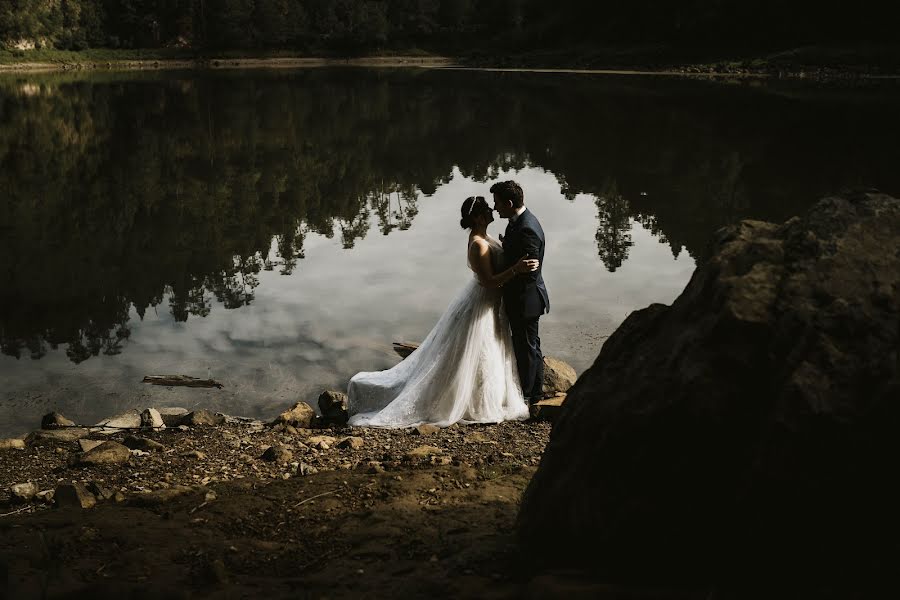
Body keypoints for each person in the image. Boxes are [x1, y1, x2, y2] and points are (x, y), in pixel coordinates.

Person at [347, 196, 538, 428]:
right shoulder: (477, 244)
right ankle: (469, 400)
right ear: (477, 217)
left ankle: (484, 396)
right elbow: (489, 282)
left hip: (490, 305)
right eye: (487, 209)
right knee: (474, 351)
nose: (492, 210)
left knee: (486, 351)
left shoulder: (484, 238)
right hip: (483, 304)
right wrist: (516, 269)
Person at [491, 180, 549, 404]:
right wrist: (508, 247)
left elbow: (530, 273)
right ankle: (534, 391)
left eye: (498, 204)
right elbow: (519, 254)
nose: (495, 208)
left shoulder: (527, 228)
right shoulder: (517, 222)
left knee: (527, 348)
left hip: (525, 299)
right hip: (523, 299)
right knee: (529, 345)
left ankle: (528, 396)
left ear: (509, 203)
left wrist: (507, 273)